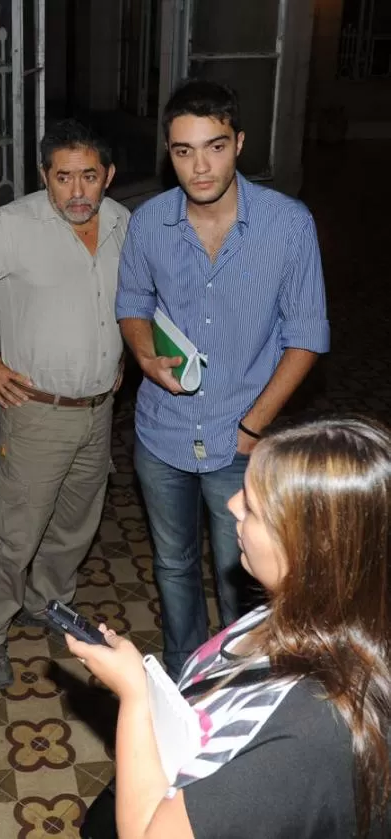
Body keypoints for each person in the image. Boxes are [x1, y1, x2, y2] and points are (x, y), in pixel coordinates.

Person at [66, 415, 391, 838]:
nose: (232, 505)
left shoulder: (308, 732)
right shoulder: (308, 615)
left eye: (254, 507)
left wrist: (135, 697)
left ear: (310, 546)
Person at [115, 80, 330, 676]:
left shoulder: (288, 225)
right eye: (183, 151)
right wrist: (142, 354)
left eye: (214, 146)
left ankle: (242, 678)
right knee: (174, 564)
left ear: (238, 143)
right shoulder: (149, 222)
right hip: (163, 432)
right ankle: (187, 674)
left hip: (242, 438)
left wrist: (253, 426)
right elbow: (131, 301)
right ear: (168, 152)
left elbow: (308, 335)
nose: (199, 165)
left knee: (246, 574)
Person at [0, 119, 129, 690]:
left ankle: (49, 603)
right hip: (36, 409)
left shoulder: (122, 223)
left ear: (108, 176)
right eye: (62, 177)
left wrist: (122, 352)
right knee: (17, 531)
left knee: (75, 524)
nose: (75, 191)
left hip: (98, 409)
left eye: (88, 176)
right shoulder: (10, 226)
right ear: (45, 176)